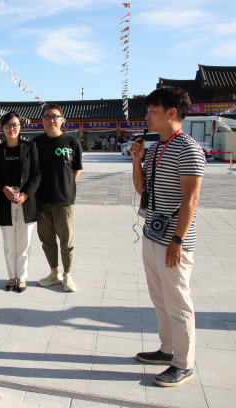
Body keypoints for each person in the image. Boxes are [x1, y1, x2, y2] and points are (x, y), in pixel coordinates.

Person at [130, 87, 205, 387]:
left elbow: (191, 199)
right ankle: (167, 348)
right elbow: (141, 190)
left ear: (172, 113)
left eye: (153, 111)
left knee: (177, 301)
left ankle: (183, 363)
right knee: (160, 297)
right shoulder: (158, 146)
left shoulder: (188, 148)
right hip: (151, 232)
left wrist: (177, 242)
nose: (147, 116)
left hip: (174, 239)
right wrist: (137, 161)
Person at [0, 112, 44, 292]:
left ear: (20, 127)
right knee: (8, 242)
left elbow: (37, 174)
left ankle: (21, 277)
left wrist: (26, 194)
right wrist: (4, 188)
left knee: (24, 241)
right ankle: (11, 276)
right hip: (6, 201)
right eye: (7, 125)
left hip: (25, 202)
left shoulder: (30, 147)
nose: (11, 128)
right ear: (2, 128)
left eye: (15, 125)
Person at [34, 104, 82, 292]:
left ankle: (68, 274)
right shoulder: (36, 143)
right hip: (41, 200)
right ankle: (55, 273)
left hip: (64, 199)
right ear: (42, 122)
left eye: (55, 116)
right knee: (47, 239)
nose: (51, 120)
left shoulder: (72, 141)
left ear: (62, 119)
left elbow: (76, 169)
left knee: (66, 239)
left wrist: (67, 186)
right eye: (47, 117)